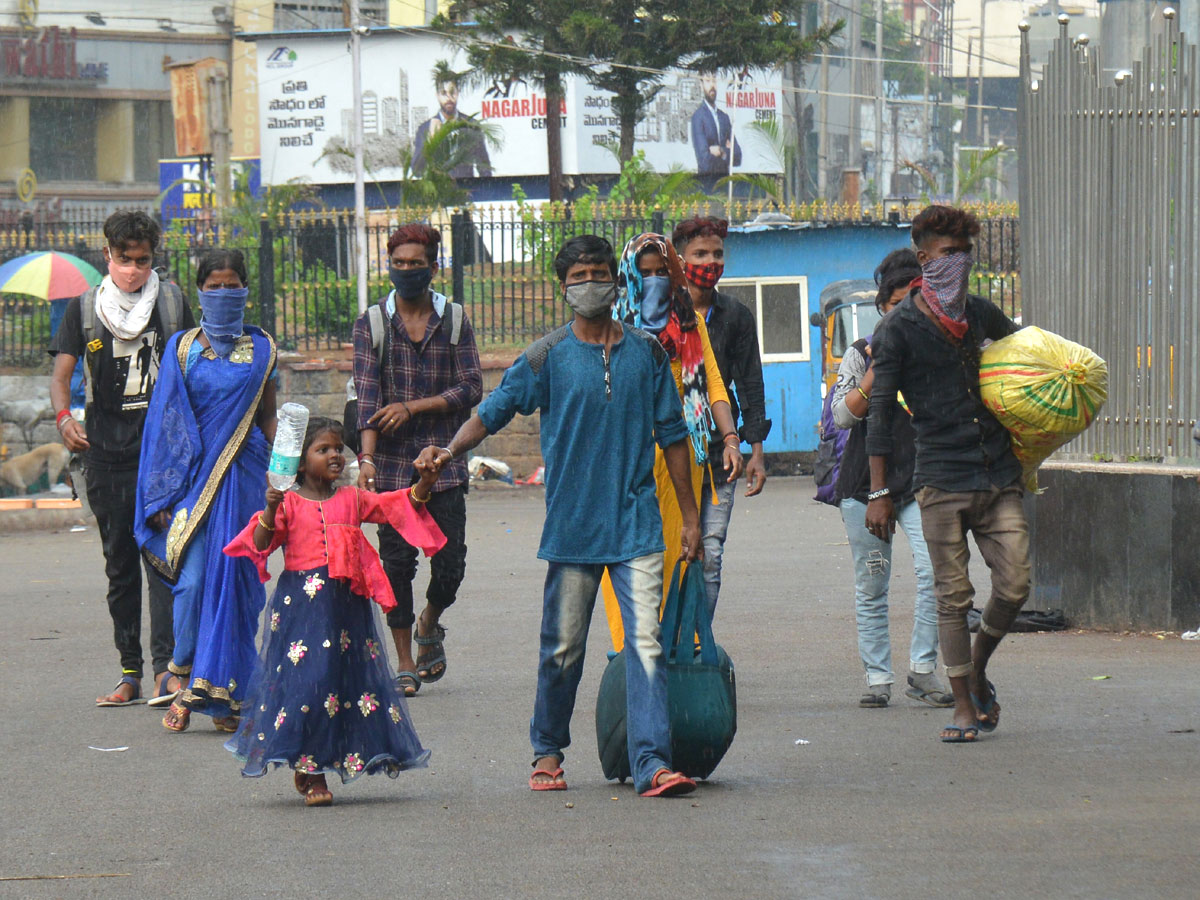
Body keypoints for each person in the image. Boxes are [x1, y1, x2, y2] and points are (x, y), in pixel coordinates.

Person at [416, 234, 700, 798]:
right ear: (563, 287)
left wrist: (690, 517)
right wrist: (448, 452)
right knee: (563, 648)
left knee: (647, 645)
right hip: (572, 529)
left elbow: (673, 437)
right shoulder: (545, 357)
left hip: (638, 523)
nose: (589, 284)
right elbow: (492, 412)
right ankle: (547, 750)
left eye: (598, 273)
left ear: (616, 283)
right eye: (577, 277)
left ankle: (651, 763)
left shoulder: (646, 354)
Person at [866, 206, 1027, 743]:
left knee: (1015, 584)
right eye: (946, 253)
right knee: (952, 598)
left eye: (964, 254)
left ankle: (976, 668)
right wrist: (880, 492)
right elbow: (881, 412)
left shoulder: (981, 314)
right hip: (938, 479)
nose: (956, 262)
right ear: (922, 257)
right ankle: (962, 707)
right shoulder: (898, 329)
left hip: (997, 471)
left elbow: (1023, 361)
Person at [224, 418, 444, 806]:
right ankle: (310, 770)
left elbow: (397, 506)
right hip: (301, 609)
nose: (335, 456)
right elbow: (260, 543)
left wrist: (424, 483)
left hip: (346, 613)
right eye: (322, 449)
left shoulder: (352, 499)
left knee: (341, 685)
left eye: (338, 448)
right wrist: (269, 508)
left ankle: (324, 762)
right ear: (300, 460)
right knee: (310, 682)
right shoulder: (288, 501)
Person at [48, 209, 193, 708]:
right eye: (123, 259)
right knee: (120, 568)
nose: (132, 270)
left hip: (163, 458)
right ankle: (129, 672)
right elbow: (61, 374)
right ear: (106, 255)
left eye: (142, 260)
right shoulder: (85, 310)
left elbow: (194, 366)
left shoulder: (171, 303)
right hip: (106, 457)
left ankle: (166, 673)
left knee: (163, 563)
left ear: (154, 258)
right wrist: (66, 418)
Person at [134, 249, 278, 733]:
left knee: (237, 586)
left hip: (245, 482)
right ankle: (181, 671)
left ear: (244, 289)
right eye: (213, 286)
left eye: (231, 284)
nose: (222, 293)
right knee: (194, 582)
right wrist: (159, 496)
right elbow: (165, 425)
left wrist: (289, 470)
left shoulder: (262, 350)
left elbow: (267, 418)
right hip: (193, 485)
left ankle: (224, 693)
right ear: (200, 291)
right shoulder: (182, 349)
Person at [353, 225, 483, 696]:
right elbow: (367, 397)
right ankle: (405, 658)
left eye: (416, 263)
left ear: (434, 266)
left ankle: (431, 620)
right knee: (396, 565)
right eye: (399, 263)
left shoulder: (453, 319)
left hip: (443, 462)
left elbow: (472, 387)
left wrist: (414, 407)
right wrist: (365, 459)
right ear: (390, 266)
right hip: (389, 467)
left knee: (450, 566)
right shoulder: (371, 323)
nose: (407, 271)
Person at [601, 232, 742, 644]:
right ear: (629, 275)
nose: (654, 281)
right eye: (644, 274)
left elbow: (713, 384)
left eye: (662, 272)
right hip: (625, 455)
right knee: (626, 554)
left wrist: (731, 438)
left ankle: (678, 647)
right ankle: (628, 650)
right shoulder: (612, 327)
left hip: (683, 455)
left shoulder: (690, 323)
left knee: (680, 549)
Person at [832, 249, 952, 709]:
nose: (911, 312)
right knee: (873, 582)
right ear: (884, 306)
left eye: (920, 302)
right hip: (866, 486)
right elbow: (842, 416)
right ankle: (877, 677)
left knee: (934, 572)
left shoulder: (935, 354)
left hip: (920, 483)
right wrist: (881, 369)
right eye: (902, 303)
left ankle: (923, 669)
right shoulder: (861, 354)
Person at [672, 216, 770, 619]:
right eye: (700, 254)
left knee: (710, 553)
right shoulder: (660, 315)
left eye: (717, 253)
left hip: (719, 454)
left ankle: (699, 643)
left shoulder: (736, 316)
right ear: (679, 260)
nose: (710, 261)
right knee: (674, 550)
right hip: (668, 454)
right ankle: (664, 646)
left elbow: (749, 383)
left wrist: (756, 450)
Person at [412, 76, 493, 179]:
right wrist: (430, 142)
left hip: (466, 190)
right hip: (437, 192)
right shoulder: (425, 128)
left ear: (458, 93)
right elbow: (417, 171)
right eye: (443, 93)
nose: (449, 98)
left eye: (452, 92)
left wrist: (482, 192)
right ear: (437, 96)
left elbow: (485, 168)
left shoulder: (471, 125)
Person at [691, 73, 741, 178]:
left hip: (725, 182)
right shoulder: (698, 117)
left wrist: (720, 151)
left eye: (714, 81)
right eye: (708, 81)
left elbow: (737, 157)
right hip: (707, 183)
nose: (712, 85)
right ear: (701, 85)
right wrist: (727, 152)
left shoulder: (724, 118)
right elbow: (703, 160)